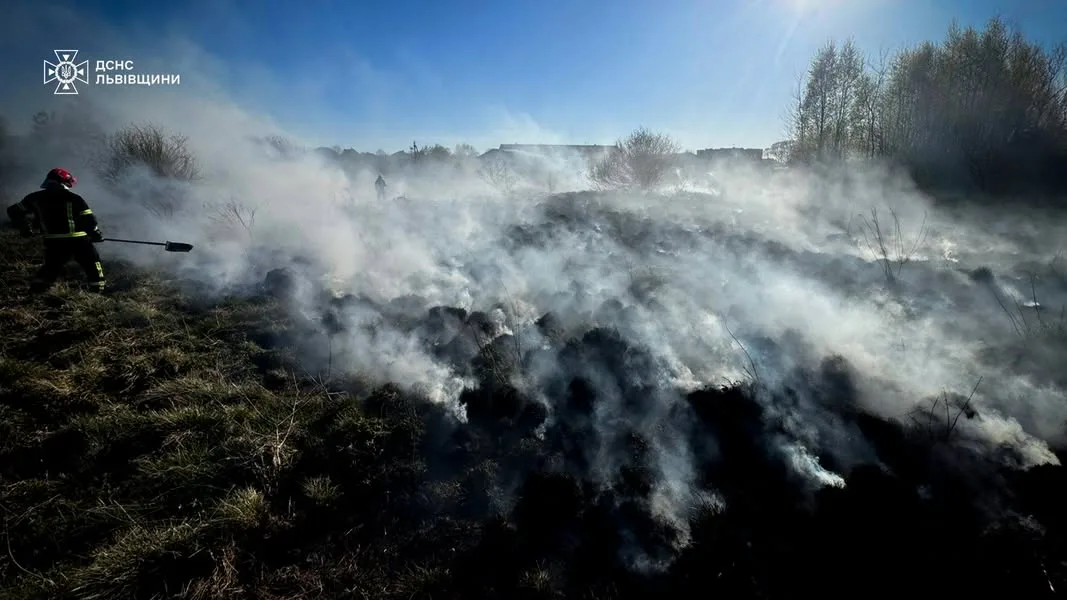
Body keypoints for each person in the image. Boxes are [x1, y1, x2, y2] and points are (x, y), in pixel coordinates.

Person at [7, 167, 106, 293]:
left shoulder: (35, 198)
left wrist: (24, 228)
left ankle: (36, 292)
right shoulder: (74, 198)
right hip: (78, 240)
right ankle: (98, 290)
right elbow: (89, 220)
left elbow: (13, 211)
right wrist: (96, 234)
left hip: (53, 241)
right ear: (65, 182)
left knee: (51, 267)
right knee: (92, 263)